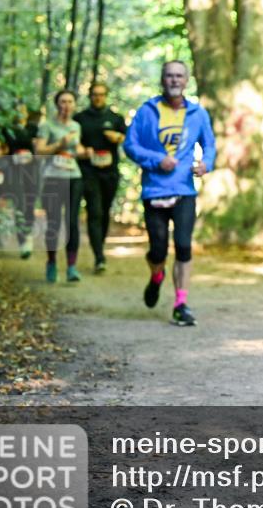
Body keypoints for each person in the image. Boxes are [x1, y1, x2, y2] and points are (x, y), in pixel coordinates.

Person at [123, 61, 216, 327]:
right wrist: (156, 159)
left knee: (184, 245)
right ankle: (156, 275)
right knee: (158, 250)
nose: (174, 80)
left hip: (184, 189)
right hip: (154, 189)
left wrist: (205, 163)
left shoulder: (198, 114)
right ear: (162, 80)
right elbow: (130, 145)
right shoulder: (147, 111)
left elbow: (209, 144)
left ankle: (180, 304)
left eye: (179, 76)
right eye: (169, 76)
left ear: (186, 80)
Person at [33, 90, 86, 283]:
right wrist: (59, 144)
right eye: (63, 101)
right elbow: (39, 151)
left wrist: (83, 151)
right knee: (54, 222)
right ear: (57, 104)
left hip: (74, 176)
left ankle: (72, 267)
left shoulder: (76, 126)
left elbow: (76, 149)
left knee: (72, 222)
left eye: (70, 101)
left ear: (74, 105)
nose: (66, 105)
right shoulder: (47, 126)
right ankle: (52, 262)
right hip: (53, 178)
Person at [74, 82, 127, 273]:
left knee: (104, 212)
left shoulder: (115, 118)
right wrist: (82, 151)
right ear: (90, 96)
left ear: (106, 96)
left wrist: (118, 138)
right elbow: (73, 142)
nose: (98, 98)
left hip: (110, 172)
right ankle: (99, 257)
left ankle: (100, 245)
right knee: (94, 211)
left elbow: (128, 139)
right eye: (95, 94)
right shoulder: (80, 119)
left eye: (101, 94)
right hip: (88, 172)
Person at [2, 102, 39, 258]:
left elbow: (31, 143)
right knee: (19, 204)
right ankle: (23, 240)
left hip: (31, 171)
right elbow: (10, 145)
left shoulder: (33, 128)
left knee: (29, 204)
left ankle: (28, 235)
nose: (19, 113)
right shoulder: (6, 129)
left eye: (22, 110)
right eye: (16, 110)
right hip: (13, 171)